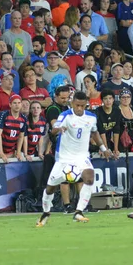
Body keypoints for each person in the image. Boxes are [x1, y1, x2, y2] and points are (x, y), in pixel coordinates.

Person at [37, 91, 112, 226]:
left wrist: (103, 149)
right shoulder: (65, 116)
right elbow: (54, 128)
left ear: (86, 105)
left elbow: (94, 133)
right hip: (64, 158)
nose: (79, 109)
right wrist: (58, 129)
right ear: (72, 103)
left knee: (89, 178)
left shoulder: (91, 117)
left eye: (82, 106)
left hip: (82, 157)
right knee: (50, 188)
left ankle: (79, 211)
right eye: (77, 105)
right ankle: (46, 212)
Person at [0, 94, 27, 162]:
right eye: (14, 103)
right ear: (10, 105)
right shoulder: (3, 115)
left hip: (11, 151)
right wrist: (1, 153)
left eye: (19, 103)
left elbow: (21, 136)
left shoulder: (23, 118)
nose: (17, 105)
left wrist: (18, 152)